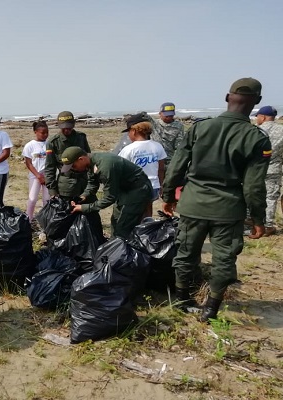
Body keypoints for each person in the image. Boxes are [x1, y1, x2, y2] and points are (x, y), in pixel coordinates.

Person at [162, 78, 271, 322]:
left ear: (227, 97)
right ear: (257, 102)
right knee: (224, 259)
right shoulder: (256, 138)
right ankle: (211, 308)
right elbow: (254, 186)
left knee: (186, 253)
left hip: (193, 204)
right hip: (228, 209)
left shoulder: (200, 128)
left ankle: (182, 299)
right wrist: (258, 218)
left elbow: (176, 167)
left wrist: (168, 197)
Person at [64, 146, 153, 238]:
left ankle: (124, 245)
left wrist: (84, 208)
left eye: (73, 166)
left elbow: (109, 198)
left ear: (81, 159)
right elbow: (92, 183)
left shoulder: (105, 167)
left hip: (137, 190)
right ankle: (116, 244)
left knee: (123, 226)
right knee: (116, 221)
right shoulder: (91, 163)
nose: (73, 169)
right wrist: (83, 196)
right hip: (124, 190)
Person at [118, 113, 167, 218]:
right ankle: (148, 225)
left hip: (136, 188)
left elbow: (121, 170)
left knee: (136, 213)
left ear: (134, 131)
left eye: (128, 132)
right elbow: (161, 169)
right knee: (148, 208)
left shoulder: (129, 149)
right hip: (154, 186)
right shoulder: (157, 146)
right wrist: (161, 185)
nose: (128, 135)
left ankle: (139, 227)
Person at [113, 103, 185, 169]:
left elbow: (179, 145)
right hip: (153, 157)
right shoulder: (154, 123)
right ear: (160, 114)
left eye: (171, 115)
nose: (169, 117)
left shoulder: (178, 126)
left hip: (169, 159)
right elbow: (143, 116)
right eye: (166, 115)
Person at [44, 111, 91, 199]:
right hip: (66, 186)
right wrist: (52, 190)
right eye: (64, 128)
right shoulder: (53, 142)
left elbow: (89, 159)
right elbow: (50, 167)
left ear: (73, 124)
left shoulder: (81, 137)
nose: (66, 130)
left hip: (85, 183)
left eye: (69, 127)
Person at [253, 106, 283, 236]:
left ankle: (254, 222)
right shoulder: (281, 130)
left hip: (255, 168)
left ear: (263, 117)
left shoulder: (255, 130)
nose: (256, 119)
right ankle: (268, 225)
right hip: (273, 168)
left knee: (254, 195)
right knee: (271, 197)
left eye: (257, 117)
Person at [23, 120, 50, 220]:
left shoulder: (49, 144)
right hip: (35, 175)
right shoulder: (30, 145)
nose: (45, 135)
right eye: (42, 133)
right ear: (36, 132)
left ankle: (46, 219)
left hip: (47, 175)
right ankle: (28, 219)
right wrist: (38, 175)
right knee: (32, 198)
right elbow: (28, 163)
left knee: (47, 199)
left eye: (47, 132)